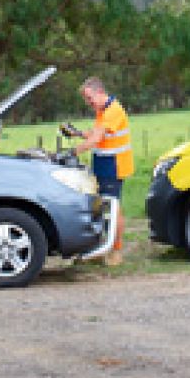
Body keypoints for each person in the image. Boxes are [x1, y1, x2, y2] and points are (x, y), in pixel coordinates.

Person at [71, 76, 133, 266]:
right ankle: (101, 247)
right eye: (86, 100)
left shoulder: (113, 111)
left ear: (99, 92)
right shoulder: (102, 110)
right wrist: (78, 133)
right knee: (101, 207)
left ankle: (116, 250)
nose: (88, 103)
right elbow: (97, 134)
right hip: (103, 163)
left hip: (114, 165)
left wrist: (73, 152)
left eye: (90, 98)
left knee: (113, 209)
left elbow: (97, 139)